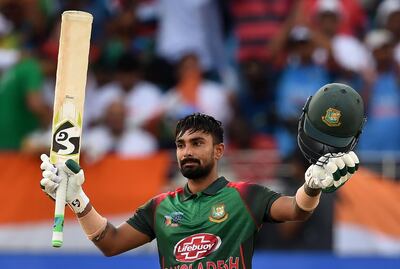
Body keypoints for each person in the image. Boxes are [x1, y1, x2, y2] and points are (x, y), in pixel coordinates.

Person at [40, 113, 359, 269]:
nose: (186, 152)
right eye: (180, 145)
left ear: (219, 151)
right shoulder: (160, 206)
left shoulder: (245, 196)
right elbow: (109, 243)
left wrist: (312, 186)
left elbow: (296, 210)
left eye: (197, 143)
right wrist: (78, 200)